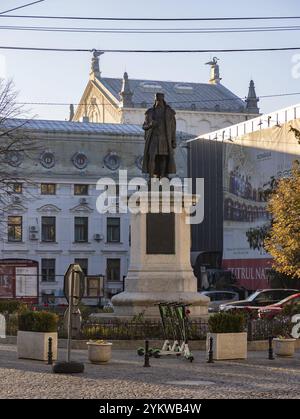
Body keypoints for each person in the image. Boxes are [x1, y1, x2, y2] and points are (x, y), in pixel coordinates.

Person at [142, 92, 176, 179]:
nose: (158, 102)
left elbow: (173, 128)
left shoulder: (169, 113)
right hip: (154, 138)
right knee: (152, 157)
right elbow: (144, 126)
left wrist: (173, 140)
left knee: (163, 158)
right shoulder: (150, 112)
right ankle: (151, 177)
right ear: (155, 100)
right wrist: (150, 124)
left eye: (160, 100)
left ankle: (162, 177)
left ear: (163, 100)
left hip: (165, 139)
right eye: (157, 100)